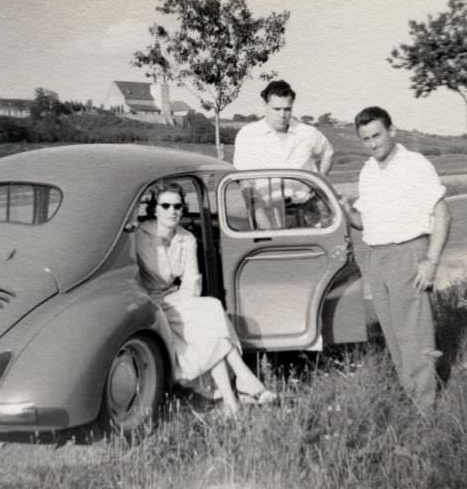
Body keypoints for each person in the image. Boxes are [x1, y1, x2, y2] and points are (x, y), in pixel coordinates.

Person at [340, 106, 452, 411]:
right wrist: (348, 212)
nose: (373, 143)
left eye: (377, 135)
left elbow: (442, 213)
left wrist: (431, 260)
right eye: (366, 139)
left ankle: (426, 407)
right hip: (377, 257)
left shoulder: (415, 164)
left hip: (408, 253)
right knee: (393, 333)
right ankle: (412, 395)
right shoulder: (368, 171)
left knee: (414, 333)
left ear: (392, 131)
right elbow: (367, 222)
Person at [134, 181, 277, 416]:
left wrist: (178, 301)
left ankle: (232, 402)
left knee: (208, 322)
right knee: (211, 310)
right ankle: (245, 382)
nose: (172, 211)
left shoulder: (186, 238)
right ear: (155, 209)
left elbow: (192, 283)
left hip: (175, 299)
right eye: (166, 205)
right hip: (147, 303)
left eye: (177, 206)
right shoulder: (140, 235)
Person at [233, 80, 335, 229]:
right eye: (277, 109)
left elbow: (328, 153)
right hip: (268, 212)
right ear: (265, 106)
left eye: (287, 109)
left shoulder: (307, 133)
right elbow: (244, 181)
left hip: (307, 209)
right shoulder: (248, 135)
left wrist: (321, 178)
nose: (282, 115)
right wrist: (260, 218)